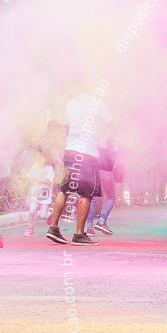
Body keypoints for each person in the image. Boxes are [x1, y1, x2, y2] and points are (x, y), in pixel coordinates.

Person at [46, 92, 112, 246]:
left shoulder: (71, 104)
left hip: (71, 151)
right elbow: (109, 125)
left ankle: (53, 227)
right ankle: (79, 234)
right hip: (88, 153)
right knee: (87, 193)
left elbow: (67, 129)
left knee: (65, 190)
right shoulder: (98, 103)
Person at [24, 146, 55, 237]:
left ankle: (50, 212)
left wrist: (38, 180)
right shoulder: (34, 168)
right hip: (35, 194)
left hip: (45, 195)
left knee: (43, 216)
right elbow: (29, 177)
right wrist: (21, 178)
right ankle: (30, 228)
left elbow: (49, 182)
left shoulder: (49, 169)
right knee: (32, 210)